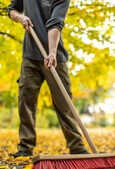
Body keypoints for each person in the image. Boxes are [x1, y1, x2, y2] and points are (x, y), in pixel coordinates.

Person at [8, 0, 88, 158]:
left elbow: (55, 23)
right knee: (26, 102)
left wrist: (51, 53)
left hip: (55, 58)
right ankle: (25, 147)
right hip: (30, 57)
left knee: (65, 104)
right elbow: (13, 10)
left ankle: (77, 147)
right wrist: (20, 18)